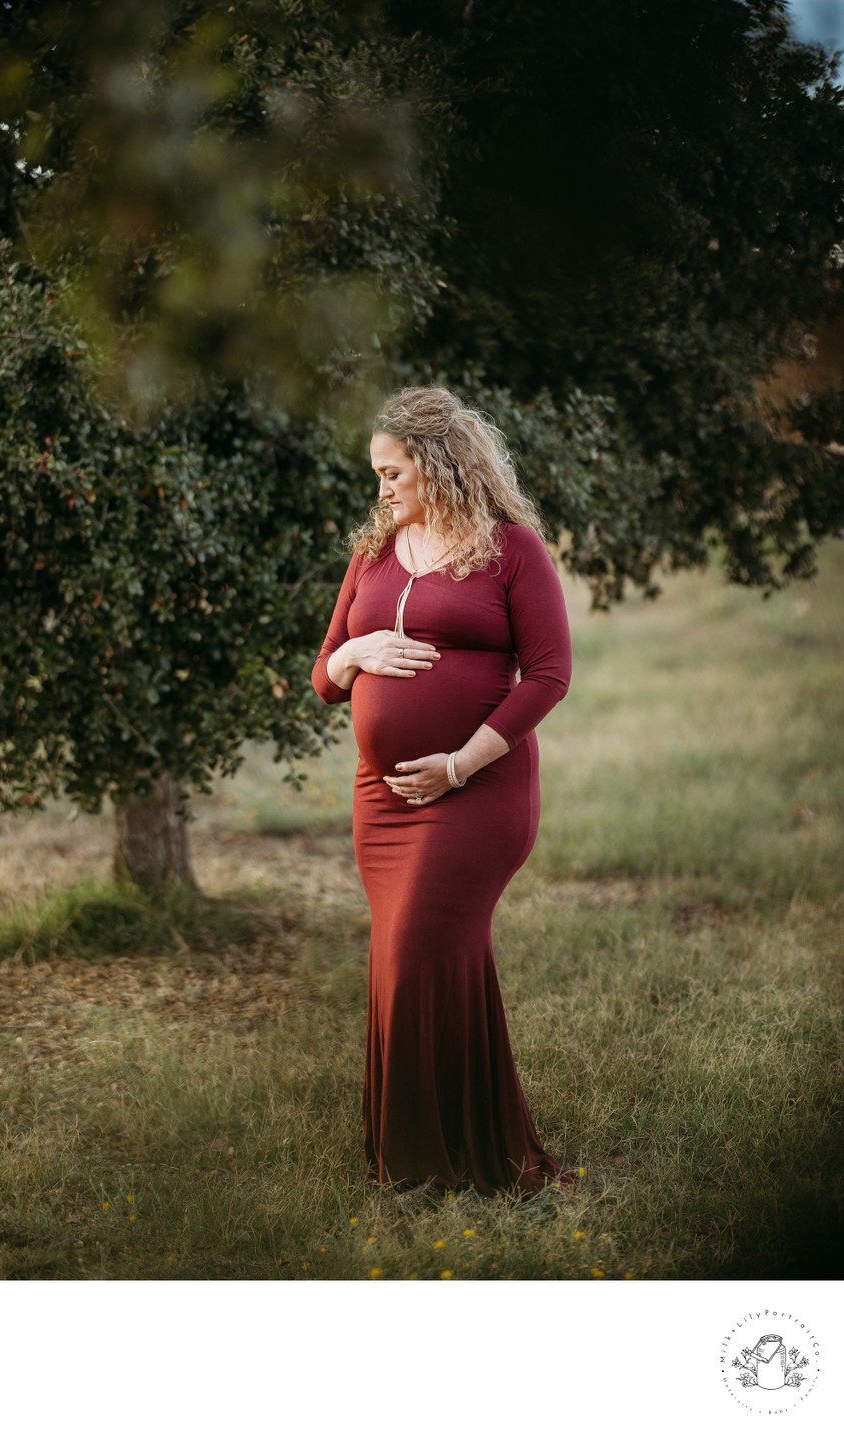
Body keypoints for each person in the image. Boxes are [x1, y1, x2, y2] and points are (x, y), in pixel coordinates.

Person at [311, 385, 576, 1199]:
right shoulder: (375, 552)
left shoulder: (513, 551)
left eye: (394, 472)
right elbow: (323, 676)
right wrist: (357, 652)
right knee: (415, 962)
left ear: (439, 462)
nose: (383, 489)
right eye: (377, 475)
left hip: (477, 790)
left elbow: (551, 675)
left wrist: (458, 764)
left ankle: (431, 1161)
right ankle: (446, 1151)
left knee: (417, 950)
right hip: (382, 798)